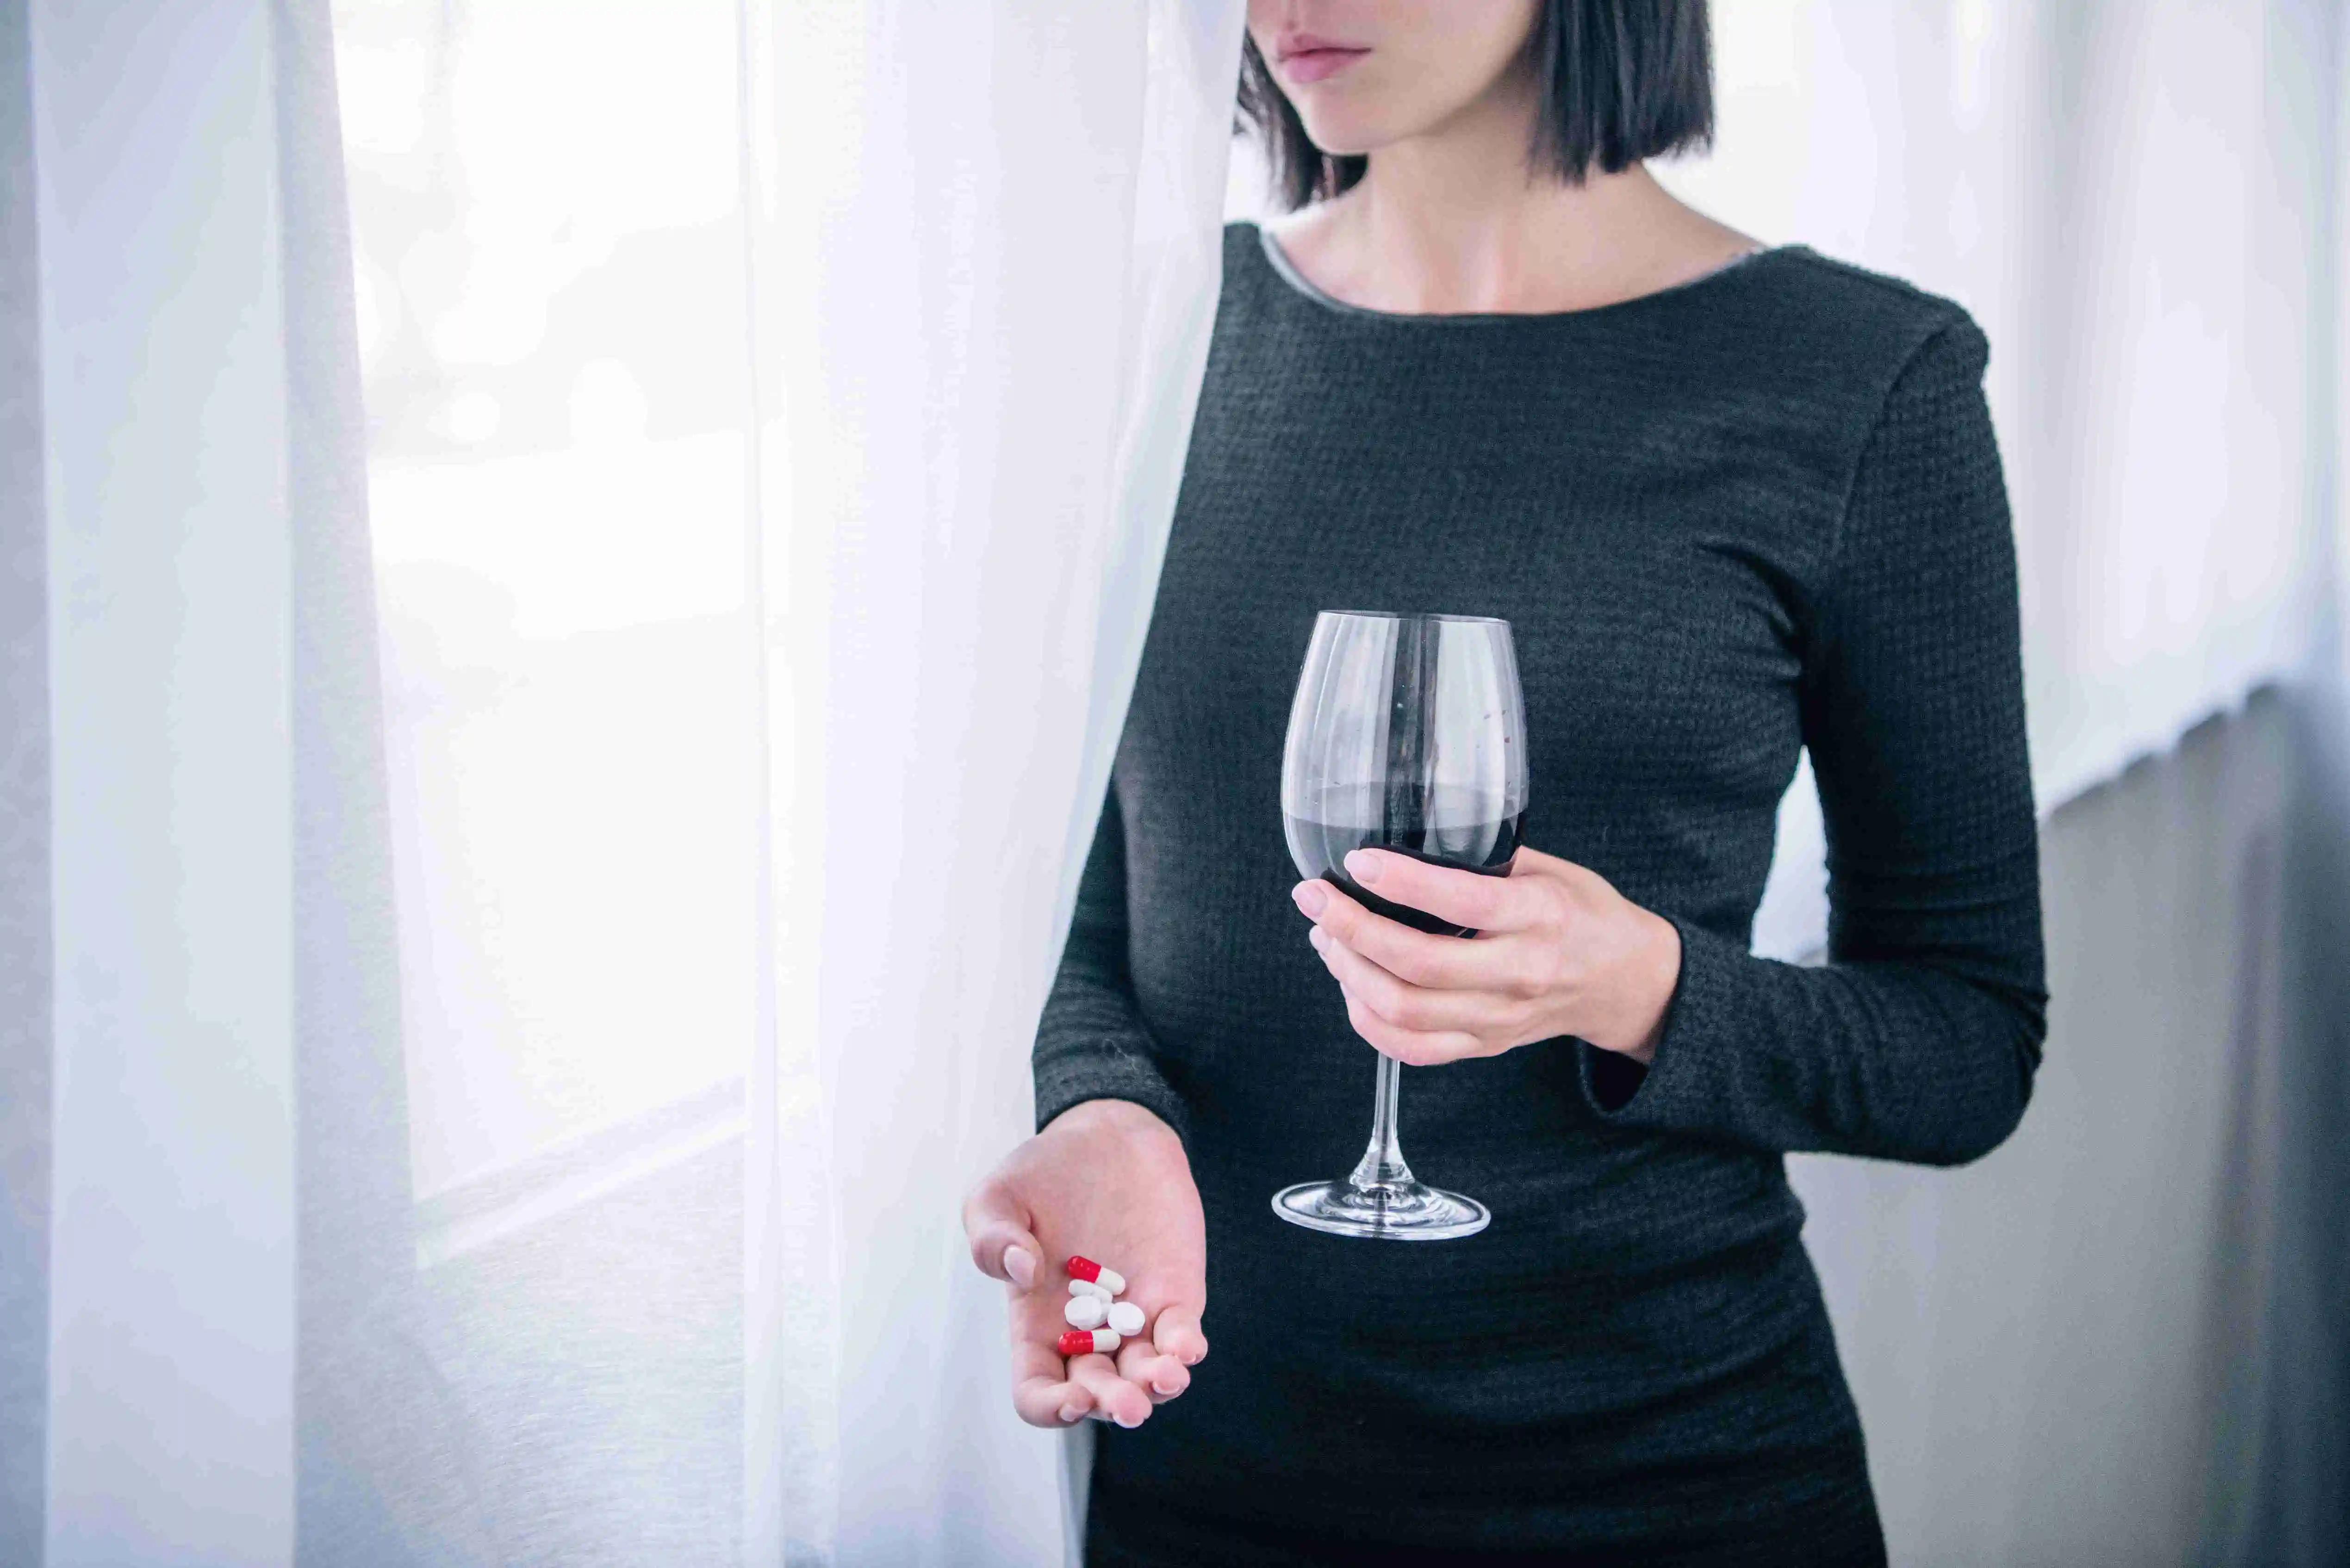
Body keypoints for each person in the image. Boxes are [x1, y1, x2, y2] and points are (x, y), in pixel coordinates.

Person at [963, 2, 2046, 1562]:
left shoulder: (1864, 381)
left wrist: (1647, 988)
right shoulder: (1156, 332)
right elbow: (1086, 898)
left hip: (1671, 1488)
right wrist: (1102, 1109)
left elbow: (1967, 1042)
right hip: (1203, 1470)